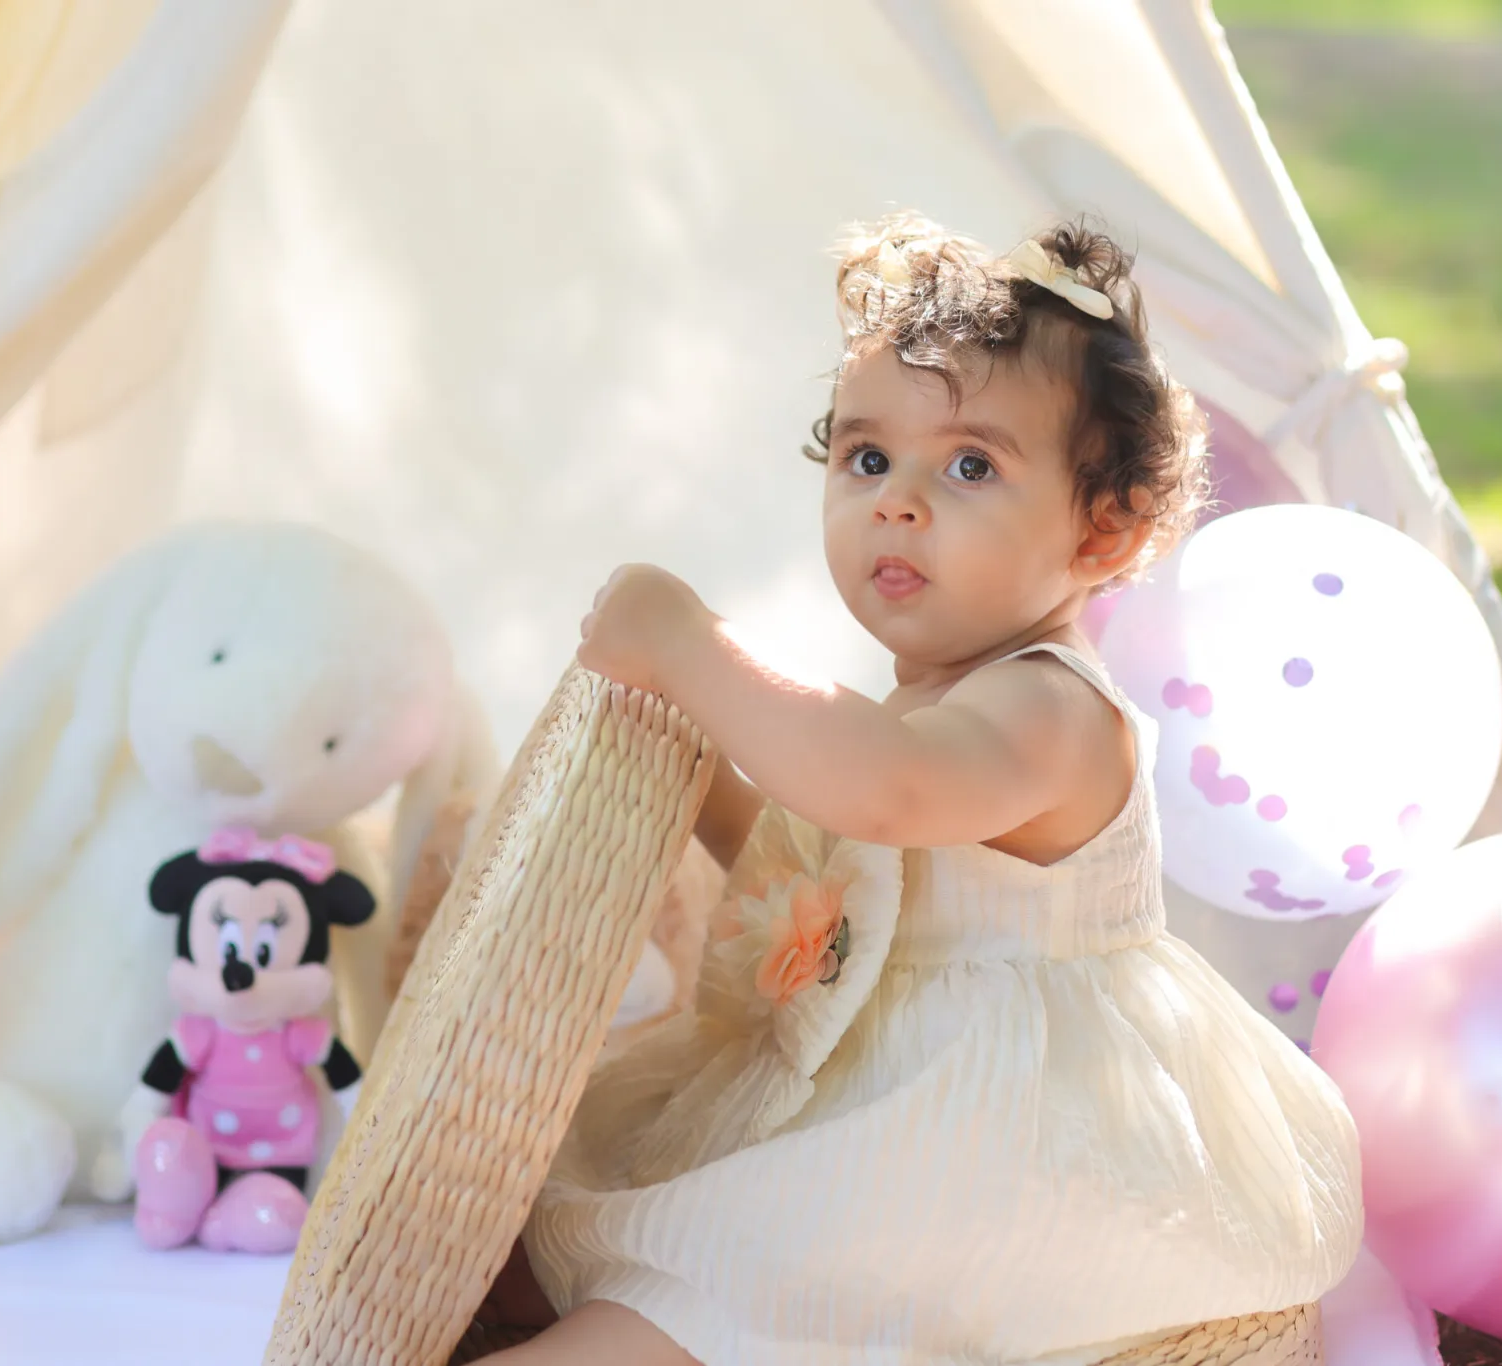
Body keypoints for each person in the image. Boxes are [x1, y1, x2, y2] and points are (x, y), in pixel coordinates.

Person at [482, 216, 1363, 1365]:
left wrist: (691, 645)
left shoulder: (1046, 710)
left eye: (968, 466)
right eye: (865, 460)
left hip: (1004, 1150)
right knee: (615, 1220)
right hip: (886, 1099)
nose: (896, 501)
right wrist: (703, 778)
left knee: (725, 1284)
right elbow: (830, 878)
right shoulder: (923, 704)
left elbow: (884, 797)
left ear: (1103, 533)